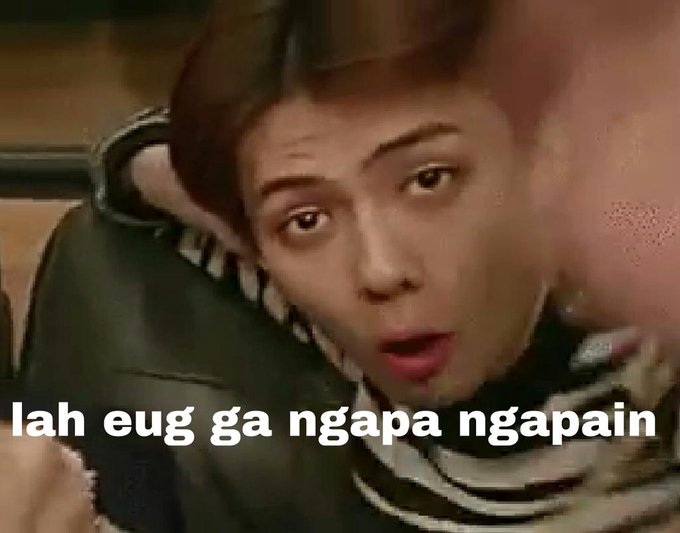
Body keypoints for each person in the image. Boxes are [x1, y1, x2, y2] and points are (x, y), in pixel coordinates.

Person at [165, 0, 679, 530]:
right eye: (308, 220)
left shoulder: (651, 351)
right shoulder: (333, 318)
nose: (380, 270)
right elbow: (139, 165)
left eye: (429, 180)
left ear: (545, 153)